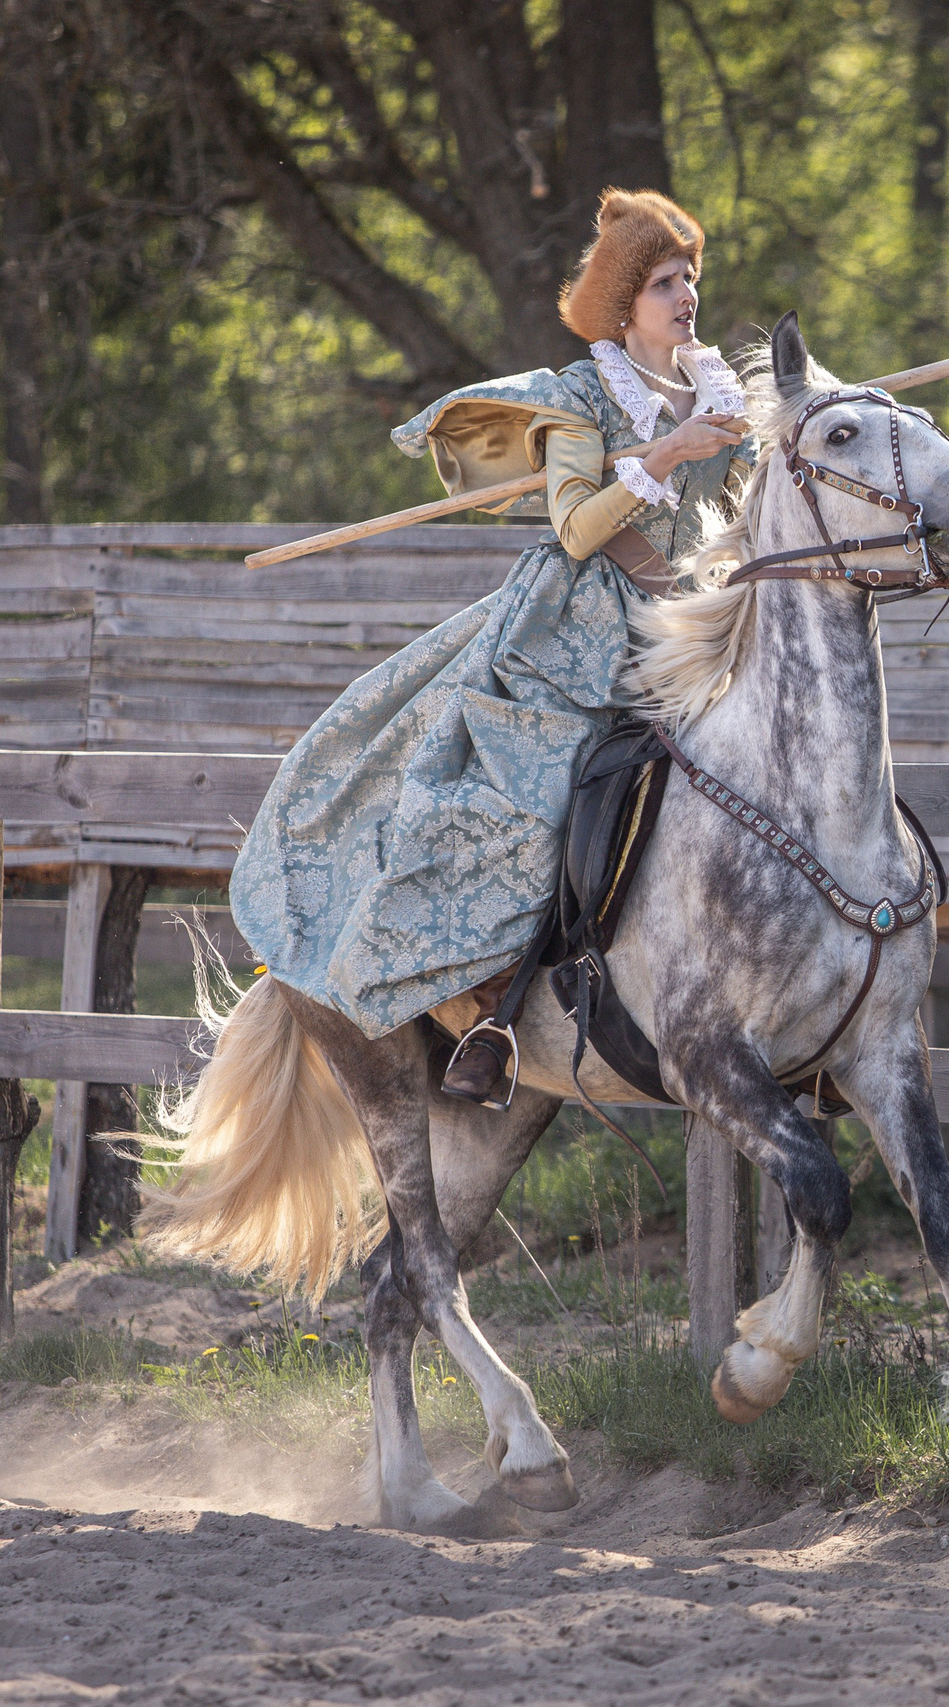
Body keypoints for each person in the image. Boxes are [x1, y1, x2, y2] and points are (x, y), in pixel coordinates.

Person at [230, 189, 753, 1105]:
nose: (686, 295)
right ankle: (494, 1011)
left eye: (690, 277)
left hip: (692, 631)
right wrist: (667, 454)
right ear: (625, 304)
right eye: (666, 282)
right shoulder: (581, 396)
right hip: (576, 641)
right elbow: (580, 528)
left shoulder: (719, 389)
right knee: (534, 809)